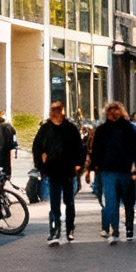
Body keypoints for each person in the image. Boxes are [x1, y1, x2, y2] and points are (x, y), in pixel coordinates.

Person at [88, 100, 136, 241]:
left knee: (128, 201)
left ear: (121, 112)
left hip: (125, 171)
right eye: (111, 111)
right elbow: (96, 150)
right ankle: (115, 230)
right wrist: (93, 167)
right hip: (108, 171)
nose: (113, 113)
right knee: (111, 201)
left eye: (116, 110)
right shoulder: (102, 130)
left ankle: (129, 228)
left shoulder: (129, 129)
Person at [33, 99, 86, 244]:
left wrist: (78, 165)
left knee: (69, 201)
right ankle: (55, 230)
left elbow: (79, 148)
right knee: (54, 203)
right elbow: (37, 148)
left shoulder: (70, 128)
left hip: (68, 170)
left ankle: (69, 228)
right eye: (53, 110)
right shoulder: (45, 129)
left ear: (62, 112)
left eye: (58, 110)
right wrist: (41, 165)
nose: (55, 113)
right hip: (52, 170)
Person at [0, 112, 18, 183]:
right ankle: (7, 176)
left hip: (0, 149)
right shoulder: (8, 126)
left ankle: (2, 177)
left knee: (1, 163)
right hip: (7, 148)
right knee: (7, 163)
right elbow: (14, 135)